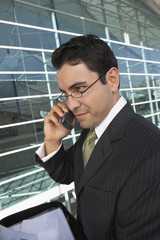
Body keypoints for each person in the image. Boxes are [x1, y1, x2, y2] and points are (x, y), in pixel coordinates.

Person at [36, 34, 160, 240]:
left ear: (112, 80)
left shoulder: (152, 155)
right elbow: (70, 174)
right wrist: (53, 141)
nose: (72, 104)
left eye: (79, 89)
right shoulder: (93, 128)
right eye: (66, 93)